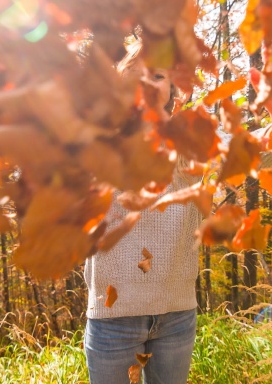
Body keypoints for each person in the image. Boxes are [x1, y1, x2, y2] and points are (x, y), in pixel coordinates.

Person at [83, 40, 202, 384]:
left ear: (170, 86)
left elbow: (248, 154)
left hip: (177, 317)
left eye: (158, 74)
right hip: (112, 320)